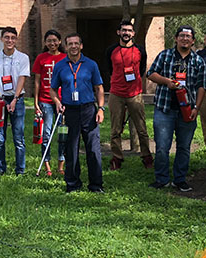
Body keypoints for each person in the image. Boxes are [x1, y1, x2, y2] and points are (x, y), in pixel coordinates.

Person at [146, 25, 206, 192]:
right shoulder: (165, 55)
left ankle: (180, 179)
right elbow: (150, 73)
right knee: (162, 147)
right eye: (181, 36)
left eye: (188, 36)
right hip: (165, 109)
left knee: (184, 147)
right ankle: (162, 179)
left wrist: (197, 108)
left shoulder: (198, 61)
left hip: (187, 111)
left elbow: (202, 86)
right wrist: (167, 82)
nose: (185, 39)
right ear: (176, 38)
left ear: (193, 40)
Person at [49, 33, 105, 193]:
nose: (73, 46)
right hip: (69, 111)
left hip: (88, 110)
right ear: (65, 47)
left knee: (93, 149)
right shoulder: (60, 66)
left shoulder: (91, 65)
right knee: (71, 149)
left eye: (76, 43)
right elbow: (53, 90)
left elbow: (99, 88)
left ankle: (96, 185)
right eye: (70, 44)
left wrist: (101, 109)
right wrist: (57, 102)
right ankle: (72, 184)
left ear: (81, 46)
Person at [106, 20, 153, 171]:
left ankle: (146, 157)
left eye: (129, 31)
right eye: (123, 30)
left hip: (135, 94)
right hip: (116, 93)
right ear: (118, 32)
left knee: (142, 129)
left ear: (133, 33)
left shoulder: (140, 50)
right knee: (115, 130)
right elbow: (109, 68)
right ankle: (117, 158)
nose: (126, 33)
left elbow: (142, 69)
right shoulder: (111, 50)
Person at [0, 26, 30, 176]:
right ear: (1, 39)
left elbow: (22, 79)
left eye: (12, 37)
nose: (9, 40)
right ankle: (0, 169)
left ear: (16, 39)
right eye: (7, 37)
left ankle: (20, 170)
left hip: (17, 100)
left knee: (18, 137)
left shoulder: (23, 58)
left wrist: (15, 99)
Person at [32, 29, 67, 176]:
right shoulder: (41, 58)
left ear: (59, 42)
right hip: (45, 101)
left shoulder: (65, 57)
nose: (52, 43)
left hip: (62, 102)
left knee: (62, 133)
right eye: (49, 41)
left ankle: (61, 165)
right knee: (46, 133)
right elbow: (37, 81)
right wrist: (35, 103)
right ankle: (47, 166)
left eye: (55, 40)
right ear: (45, 43)